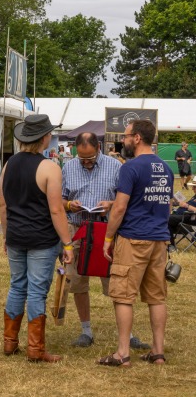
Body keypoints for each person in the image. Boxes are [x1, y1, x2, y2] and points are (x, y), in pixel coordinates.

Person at [61, 132, 150, 350]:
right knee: (77, 281)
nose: (86, 162)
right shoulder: (68, 168)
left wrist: (111, 204)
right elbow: (60, 200)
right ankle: (86, 331)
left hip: (106, 230)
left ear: (98, 149)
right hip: (78, 228)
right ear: (75, 151)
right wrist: (70, 205)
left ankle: (128, 335)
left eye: (90, 158)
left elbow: (126, 198)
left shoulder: (116, 167)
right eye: (82, 158)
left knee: (117, 283)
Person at [0, 114, 73, 363]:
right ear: (45, 137)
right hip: (42, 238)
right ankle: (36, 348)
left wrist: (5, 235)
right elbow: (56, 209)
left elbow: (3, 204)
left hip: (16, 236)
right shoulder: (50, 168)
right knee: (37, 292)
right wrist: (67, 243)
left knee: (17, 285)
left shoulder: (9, 164)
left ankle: (10, 342)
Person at [100, 119, 172, 366]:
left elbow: (120, 208)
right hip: (159, 240)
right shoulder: (165, 168)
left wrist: (108, 238)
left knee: (123, 295)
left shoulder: (130, 167)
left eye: (126, 135)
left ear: (137, 138)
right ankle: (158, 352)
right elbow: (161, 203)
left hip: (133, 238)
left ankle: (122, 354)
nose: (123, 139)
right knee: (156, 297)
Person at [168, 183, 196, 250]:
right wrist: (176, 202)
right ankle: (168, 244)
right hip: (181, 216)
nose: (192, 188)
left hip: (189, 218)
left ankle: (171, 245)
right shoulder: (194, 197)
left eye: (194, 187)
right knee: (163, 217)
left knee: (167, 219)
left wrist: (186, 205)